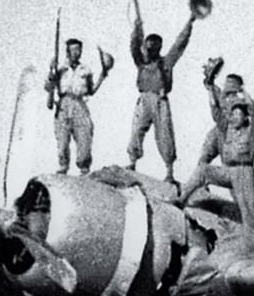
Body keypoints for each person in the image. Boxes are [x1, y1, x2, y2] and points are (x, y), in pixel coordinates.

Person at [177, 96, 254, 252]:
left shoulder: (251, 129)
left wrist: (245, 95)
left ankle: (253, 247)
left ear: (245, 118)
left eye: (238, 114)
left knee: (248, 209)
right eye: (233, 114)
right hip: (228, 170)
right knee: (204, 170)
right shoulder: (228, 128)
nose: (234, 118)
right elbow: (216, 113)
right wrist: (210, 91)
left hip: (244, 171)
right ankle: (182, 199)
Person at [127, 11, 196, 183]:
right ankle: (132, 162)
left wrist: (190, 22)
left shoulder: (166, 62)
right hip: (144, 99)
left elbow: (180, 44)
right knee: (136, 131)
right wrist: (137, 28)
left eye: (153, 46)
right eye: (148, 45)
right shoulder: (141, 63)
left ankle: (169, 172)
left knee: (165, 134)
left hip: (160, 100)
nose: (149, 49)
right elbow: (134, 46)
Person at [46, 38, 112, 175]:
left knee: (84, 138)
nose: (76, 53)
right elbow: (48, 86)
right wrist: (51, 70)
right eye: (73, 50)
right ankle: (63, 167)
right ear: (67, 52)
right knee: (62, 141)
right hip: (64, 104)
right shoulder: (60, 69)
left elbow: (91, 91)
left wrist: (102, 76)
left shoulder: (85, 70)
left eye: (78, 49)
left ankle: (84, 169)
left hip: (79, 104)